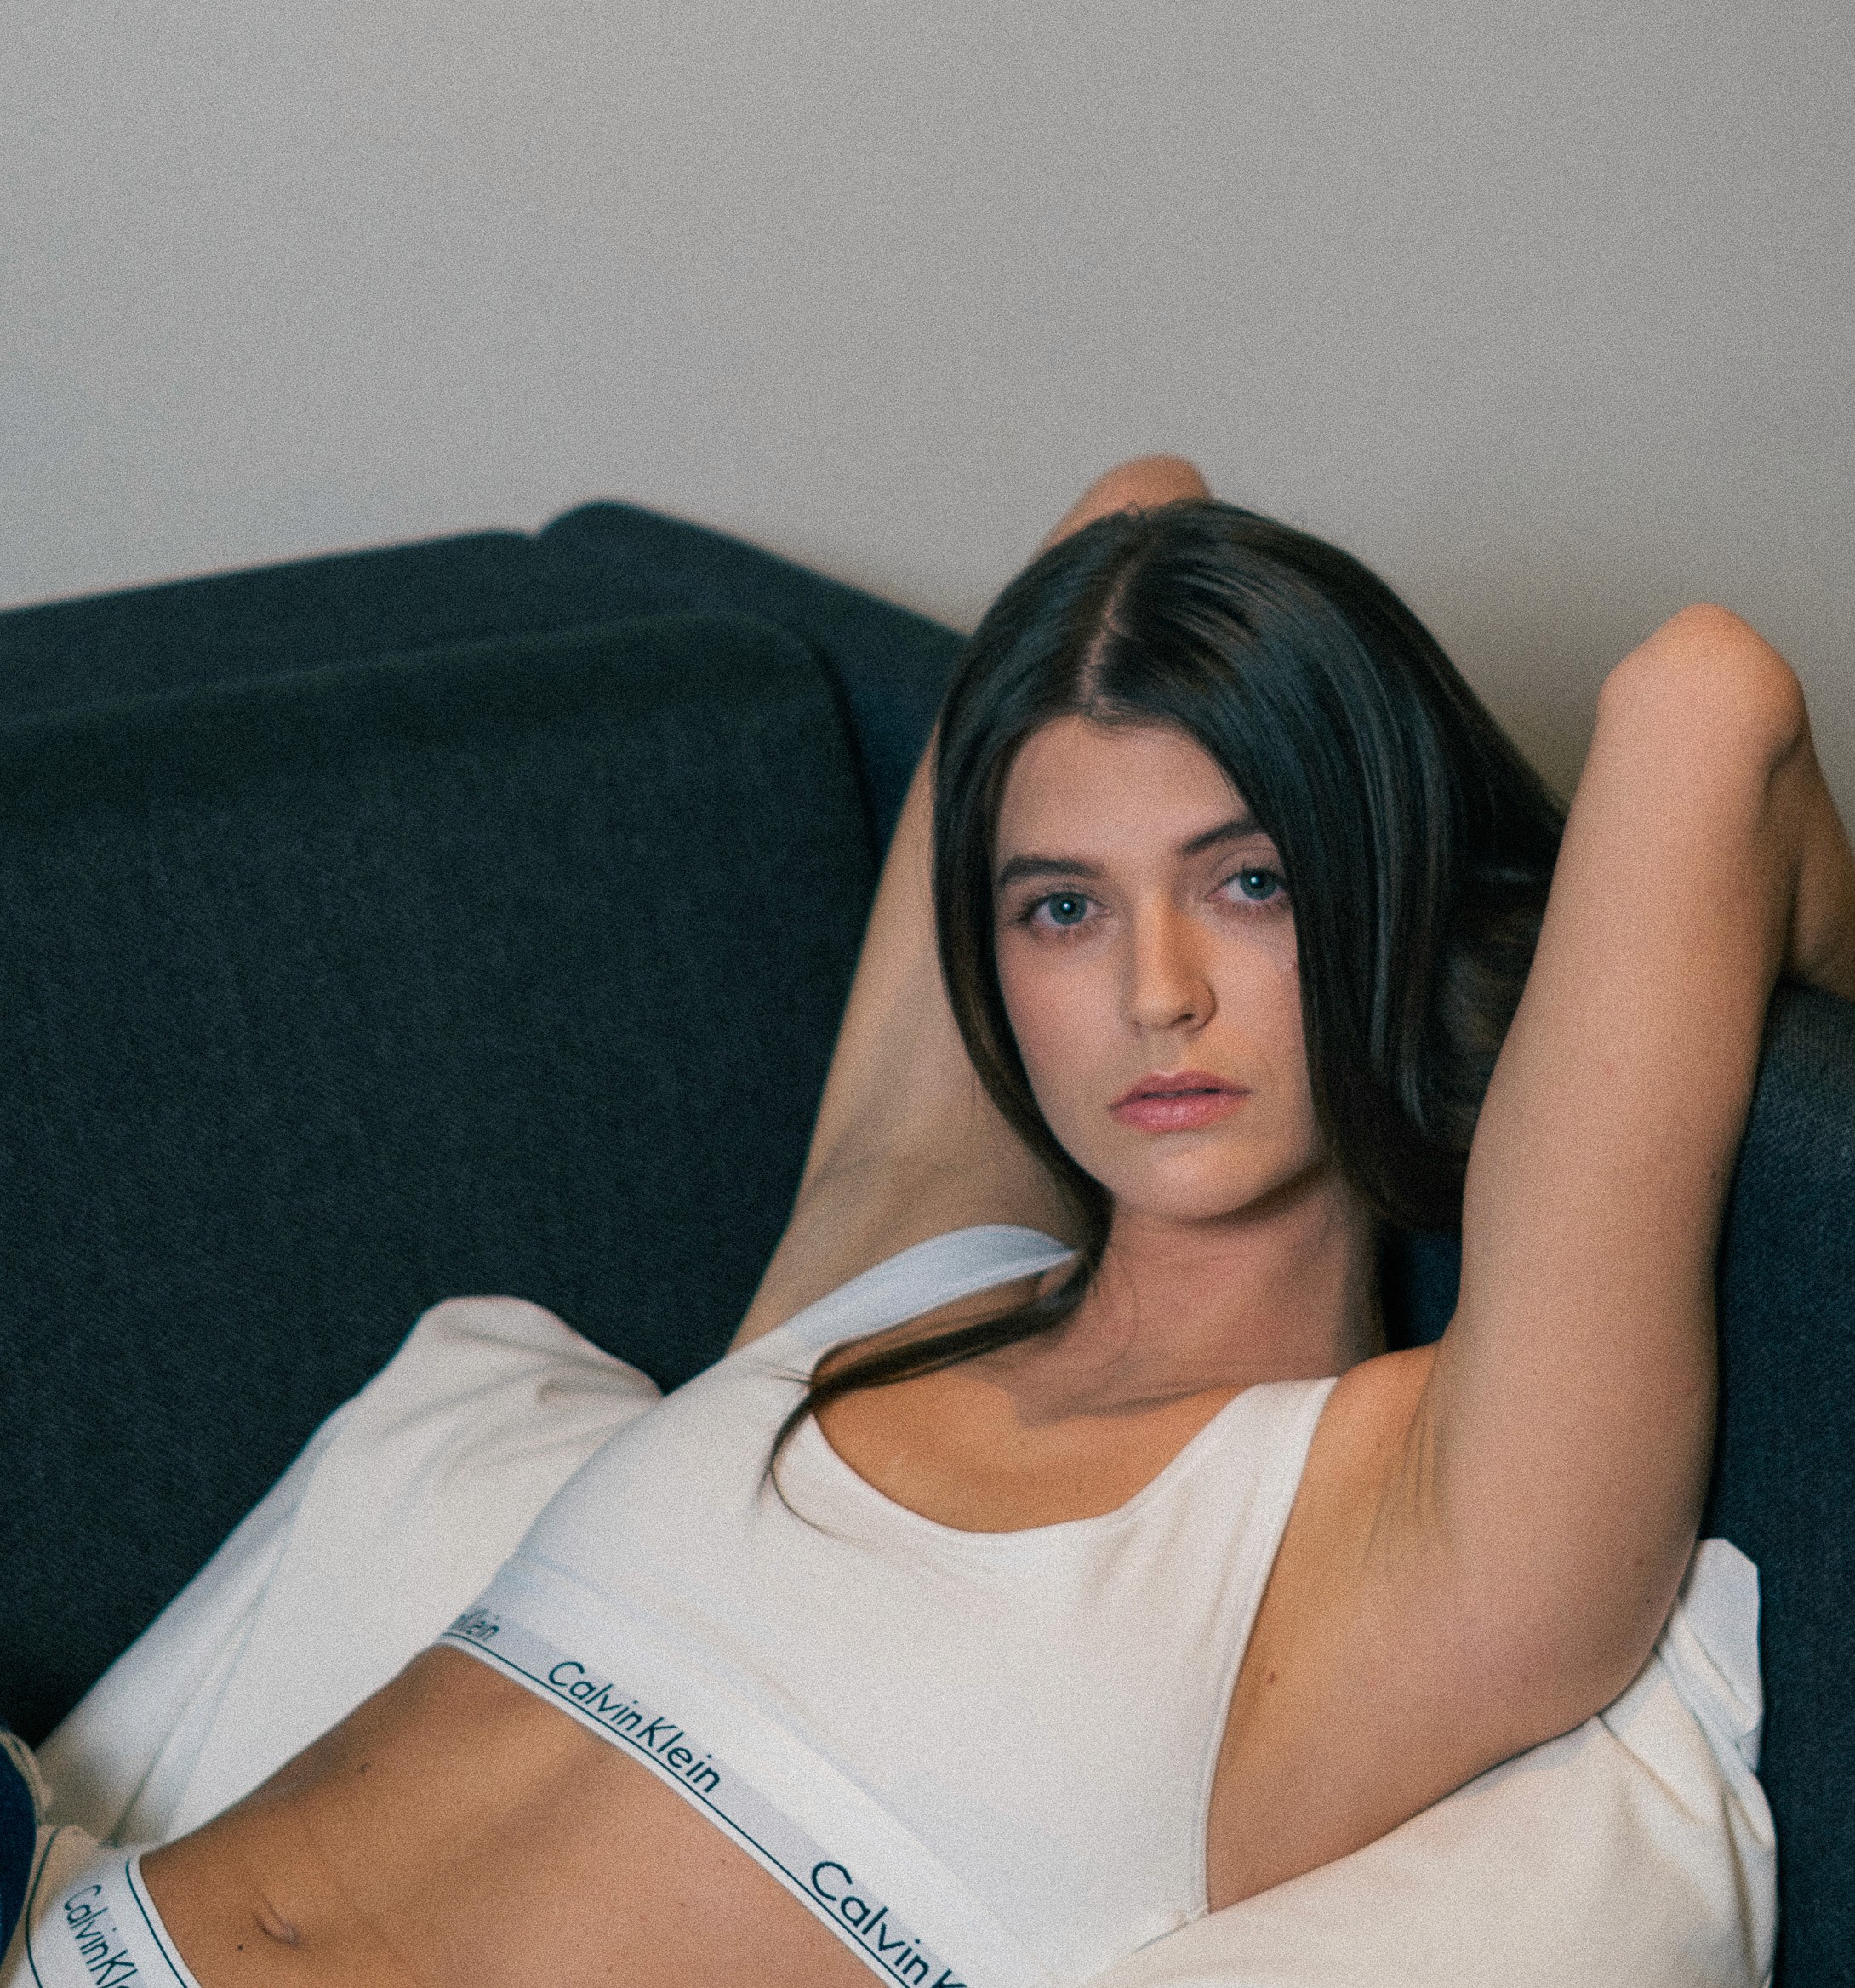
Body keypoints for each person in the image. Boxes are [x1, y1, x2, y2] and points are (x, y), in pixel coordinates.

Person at [8, 455, 1851, 1988]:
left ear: (1376, 888)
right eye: (1063, 909)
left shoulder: (1420, 1518)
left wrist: (1469, 959)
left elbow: (1710, 706)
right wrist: (1190, 708)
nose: (1155, 993)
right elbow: (1130, 510)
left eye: (1250, 881)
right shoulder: (902, 1282)